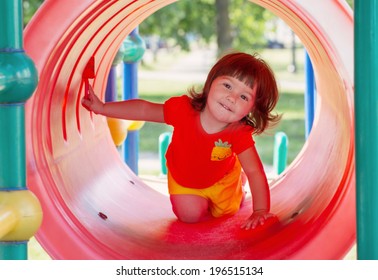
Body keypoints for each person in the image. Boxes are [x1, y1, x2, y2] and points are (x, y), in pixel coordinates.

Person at [81, 51, 280, 230]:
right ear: (210, 84)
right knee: (190, 216)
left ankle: (238, 183)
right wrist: (103, 108)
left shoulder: (239, 132)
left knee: (226, 212)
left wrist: (260, 210)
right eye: (227, 85)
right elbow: (145, 110)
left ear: (252, 109)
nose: (232, 97)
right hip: (184, 178)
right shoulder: (184, 110)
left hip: (222, 180)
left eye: (244, 97)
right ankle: (204, 198)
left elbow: (255, 171)